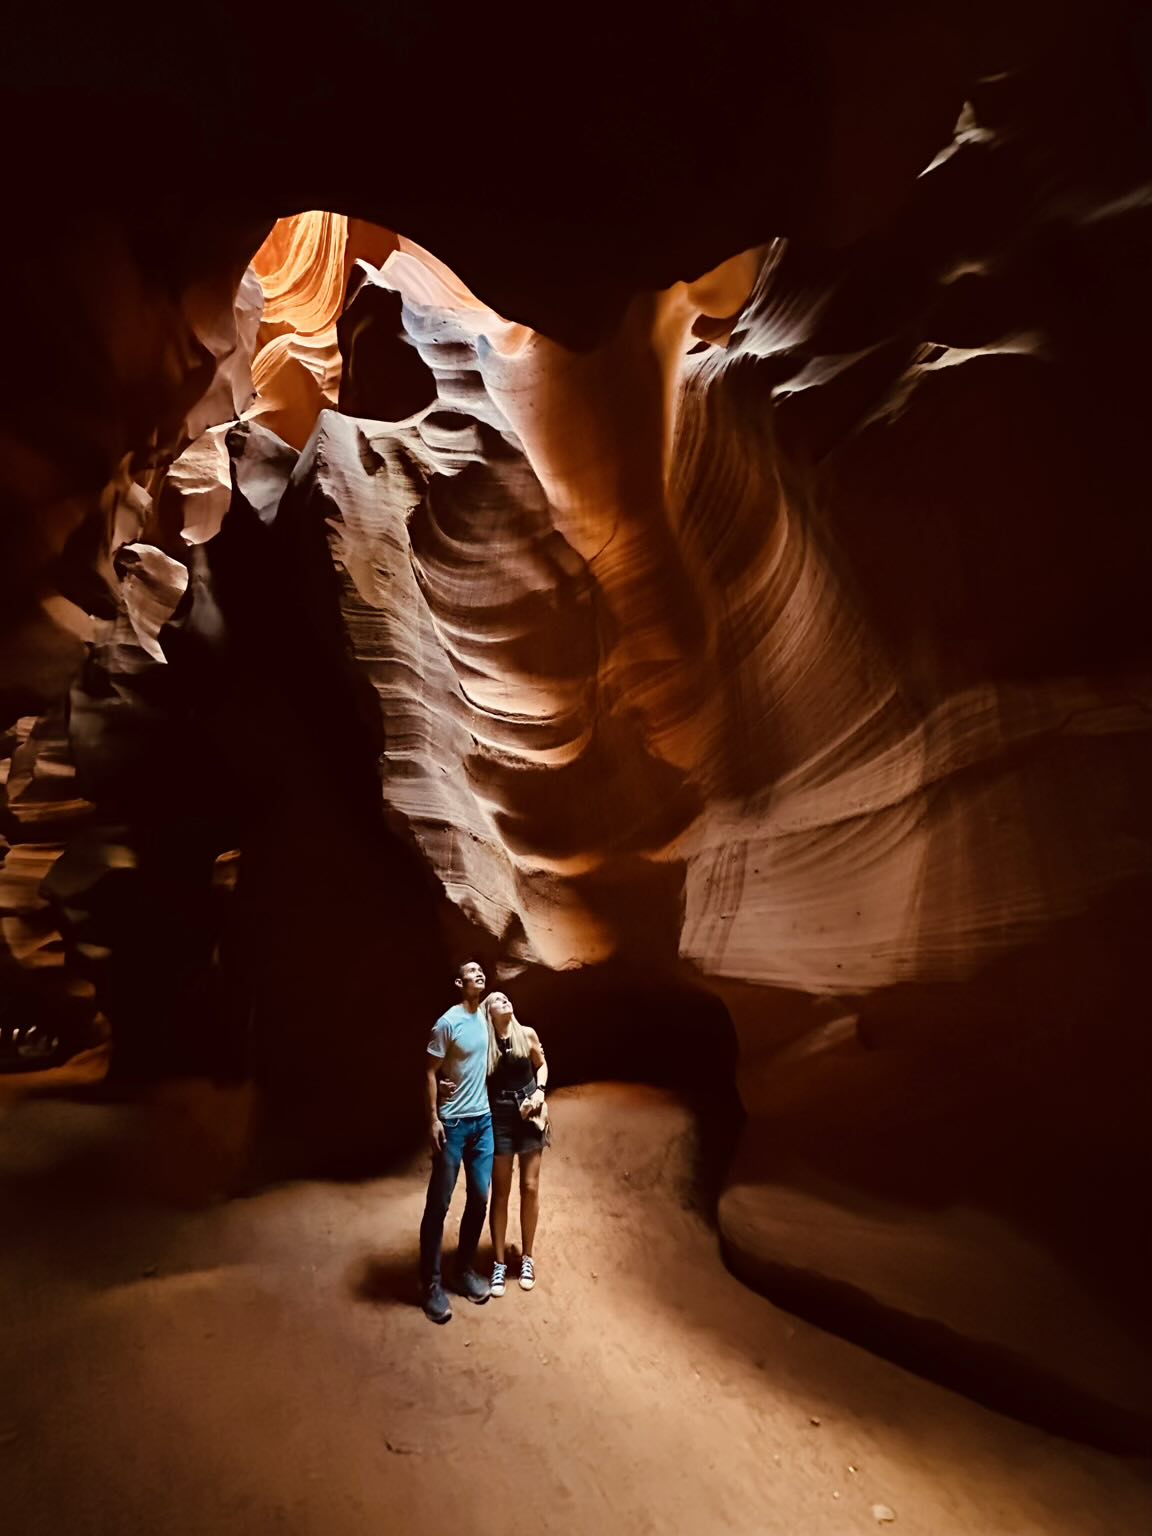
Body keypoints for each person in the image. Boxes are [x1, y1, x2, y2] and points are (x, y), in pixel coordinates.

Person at [418, 960, 494, 1324]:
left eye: (481, 970)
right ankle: (431, 1285)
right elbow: (429, 1071)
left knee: (480, 1196)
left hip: (483, 1121)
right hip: (453, 1124)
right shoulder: (447, 1023)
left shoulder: (486, 1016)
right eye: (471, 972)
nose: (478, 974)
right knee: (440, 1203)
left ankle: (463, 1269)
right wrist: (433, 1117)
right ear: (458, 982)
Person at [483, 991, 548, 1296]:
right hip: (500, 1114)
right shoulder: (485, 1043)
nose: (505, 1000)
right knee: (502, 1188)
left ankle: (527, 1257)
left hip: (529, 1110)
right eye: (497, 999)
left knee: (530, 1186)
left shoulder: (527, 1034)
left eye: (506, 997)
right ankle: (498, 1262)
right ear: (488, 1012)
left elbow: (541, 1065)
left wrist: (540, 1093)